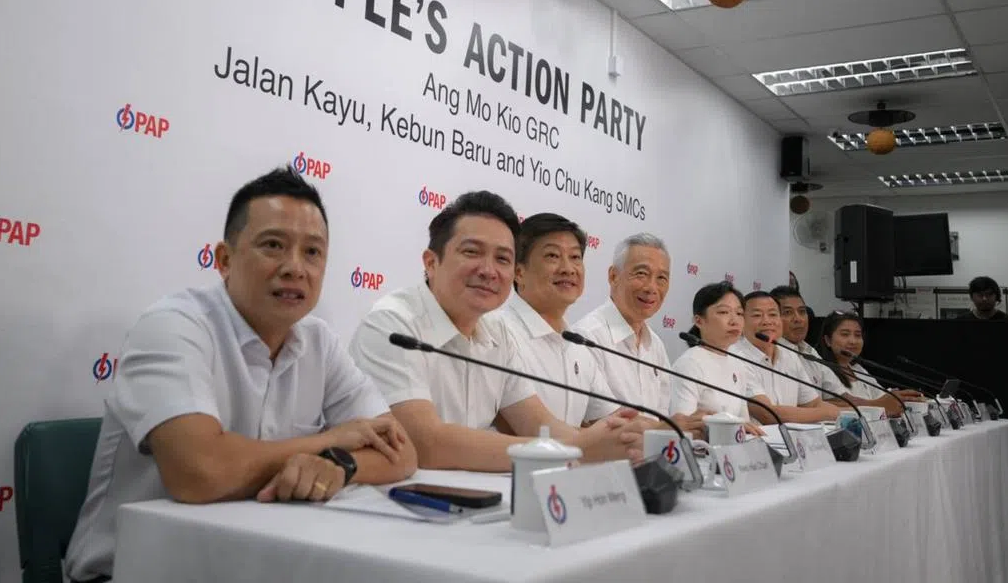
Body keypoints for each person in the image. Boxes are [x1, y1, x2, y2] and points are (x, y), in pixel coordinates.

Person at [65, 167, 417, 583]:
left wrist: (339, 466)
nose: (294, 268)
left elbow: (402, 452)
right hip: (137, 570)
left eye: (313, 252)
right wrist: (329, 441)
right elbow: (199, 472)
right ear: (224, 260)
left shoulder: (319, 341)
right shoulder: (174, 325)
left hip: (254, 563)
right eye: (273, 246)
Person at [349, 191, 660, 473]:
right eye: (472, 252)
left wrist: (608, 438)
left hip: (475, 506)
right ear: (431, 262)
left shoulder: (497, 332)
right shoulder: (393, 324)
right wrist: (577, 448)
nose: (489, 270)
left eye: (502, 258)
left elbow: (539, 425)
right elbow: (427, 443)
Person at [488, 213, 619, 426]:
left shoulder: (578, 344)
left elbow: (611, 420)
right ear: (518, 272)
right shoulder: (496, 332)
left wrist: (666, 428)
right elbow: (523, 430)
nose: (568, 269)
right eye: (552, 256)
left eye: (575, 257)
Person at [573, 233, 706, 433]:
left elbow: (659, 414)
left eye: (661, 278)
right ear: (613, 276)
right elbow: (602, 423)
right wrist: (668, 428)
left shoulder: (656, 344)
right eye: (641, 274)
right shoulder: (587, 337)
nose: (652, 287)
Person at [732, 291, 842, 425]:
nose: (767, 321)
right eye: (757, 315)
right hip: (755, 443)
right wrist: (828, 414)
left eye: (773, 314)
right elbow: (768, 414)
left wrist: (851, 414)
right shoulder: (736, 356)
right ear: (741, 322)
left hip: (794, 442)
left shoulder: (789, 355)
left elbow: (814, 404)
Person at [669, 282, 763, 434]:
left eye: (739, 313)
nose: (734, 320)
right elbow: (684, 426)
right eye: (724, 312)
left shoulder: (737, 362)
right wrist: (730, 428)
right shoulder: (689, 364)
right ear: (699, 321)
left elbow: (744, 422)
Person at [815, 312, 923, 417]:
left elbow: (881, 396)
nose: (853, 341)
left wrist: (908, 398)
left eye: (857, 335)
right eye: (845, 334)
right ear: (828, 340)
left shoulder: (857, 369)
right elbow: (839, 402)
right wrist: (880, 404)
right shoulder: (822, 369)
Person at [769, 285, 827, 387]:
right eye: (788, 312)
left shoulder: (810, 351)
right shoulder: (772, 354)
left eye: (802, 311)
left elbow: (837, 394)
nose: (798, 319)